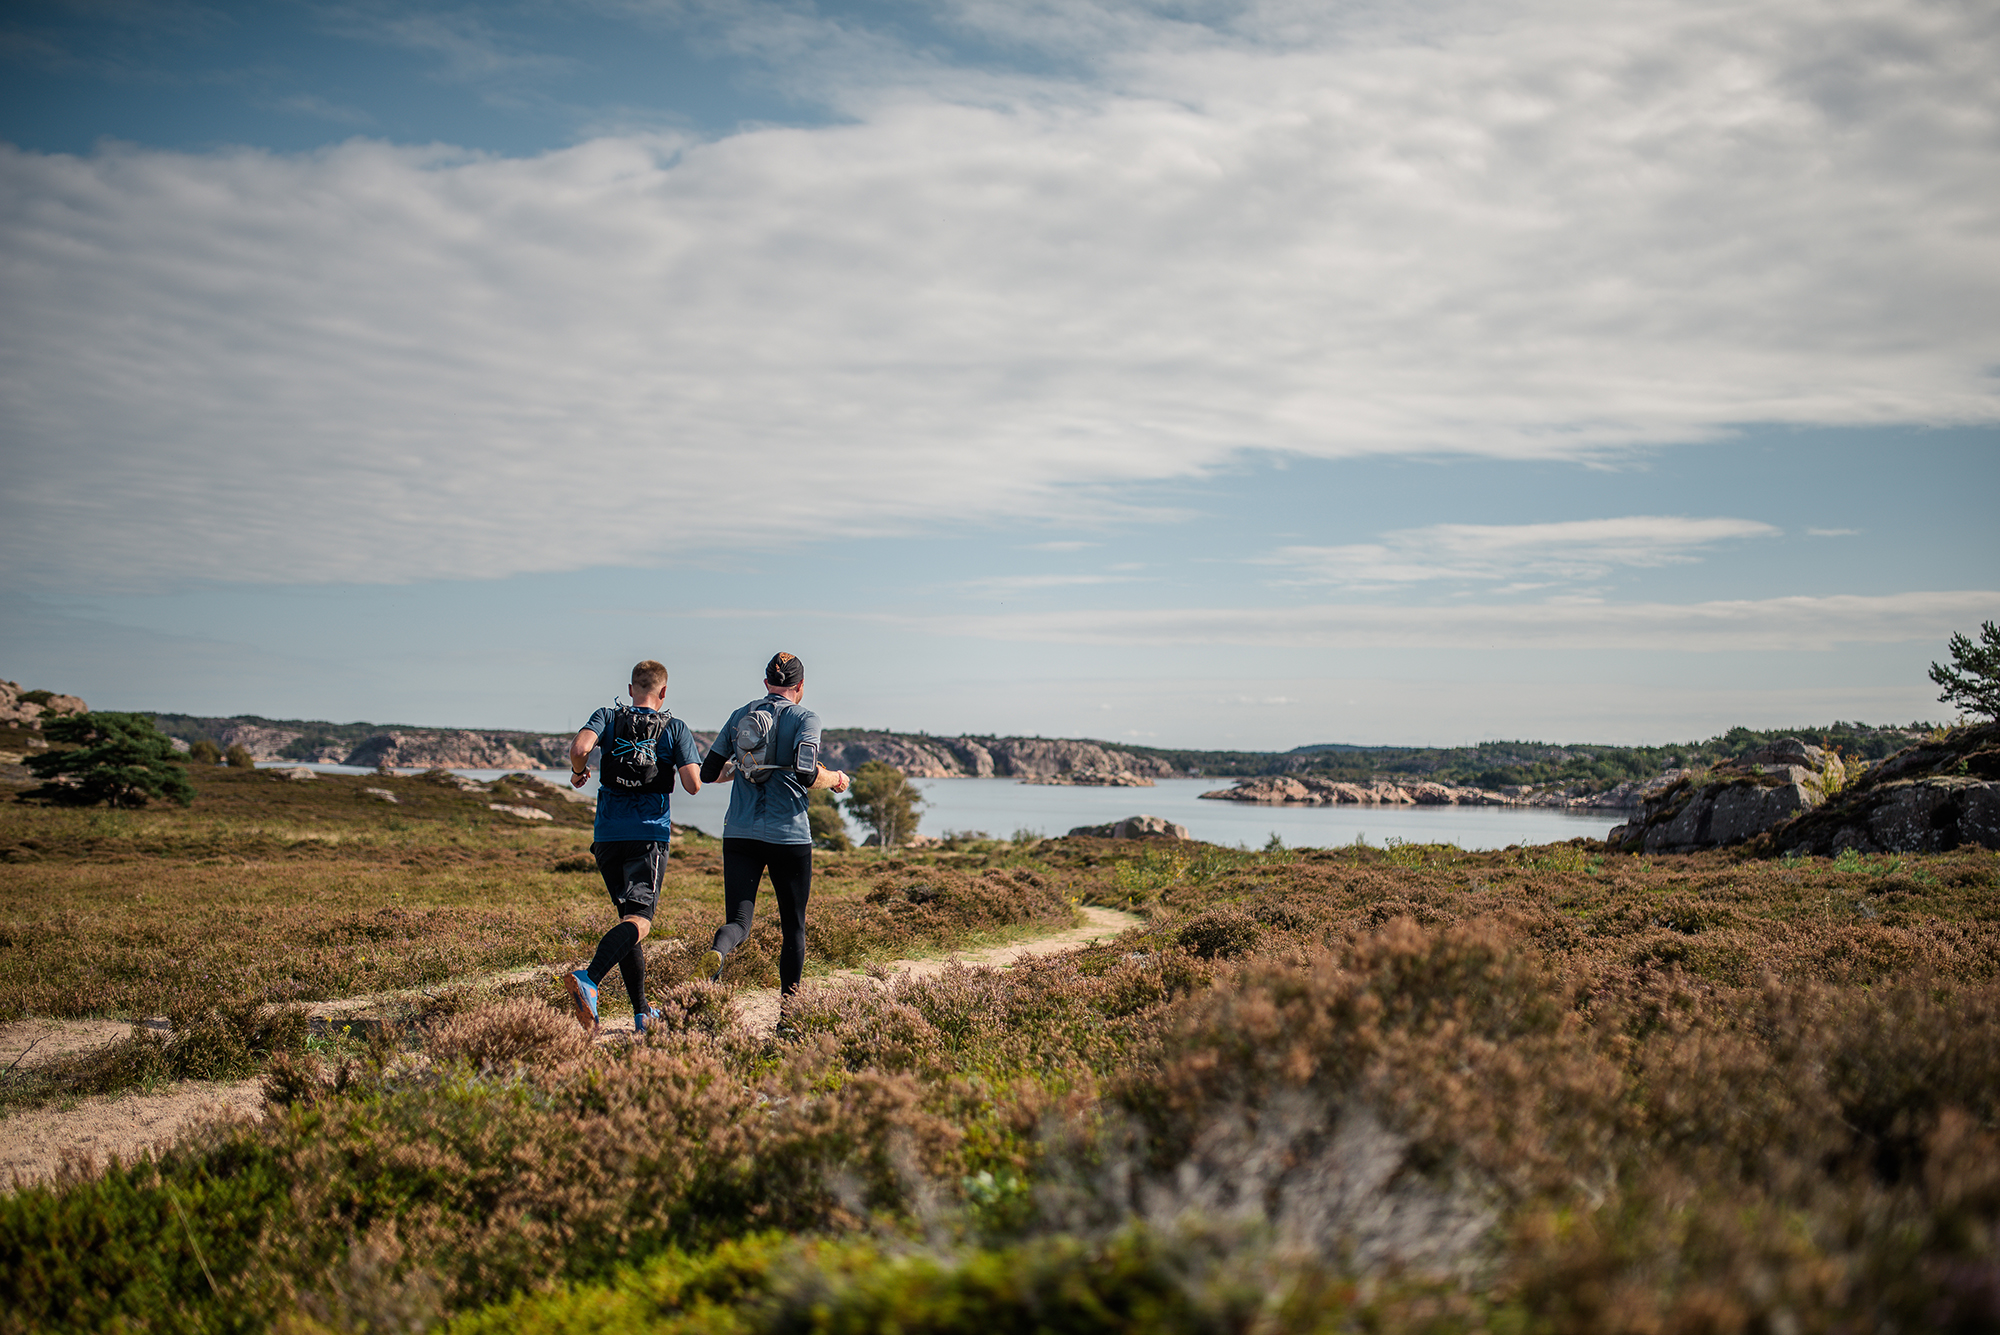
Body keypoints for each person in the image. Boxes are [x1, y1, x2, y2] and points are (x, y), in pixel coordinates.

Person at [697, 652, 848, 1023]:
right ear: (799, 687)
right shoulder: (805, 717)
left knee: (739, 922)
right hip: (789, 836)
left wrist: (747, 765)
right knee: (793, 926)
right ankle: (787, 1016)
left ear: (766, 684)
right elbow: (807, 772)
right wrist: (837, 779)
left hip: (739, 833)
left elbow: (707, 773)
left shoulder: (739, 716)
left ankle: (719, 950)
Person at [561, 659, 703, 1034]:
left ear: (630, 689)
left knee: (628, 920)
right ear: (664, 692)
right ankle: (589, 979)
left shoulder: (607, 716)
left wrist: (579, 772)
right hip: (648, 836)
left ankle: (642, 1013)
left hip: (607, 836)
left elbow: (580, 747)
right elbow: (693, 784)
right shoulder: (675, 728)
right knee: (640, 921)